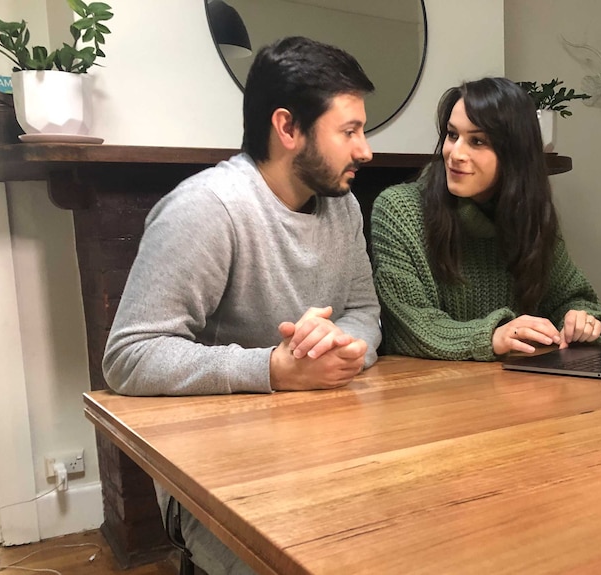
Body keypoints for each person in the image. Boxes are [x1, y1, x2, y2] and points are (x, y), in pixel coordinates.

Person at [103, 37, 382, 574]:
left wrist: (343, 345)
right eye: (349, 131)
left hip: (325, 450)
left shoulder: (343, 209)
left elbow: (364, 312)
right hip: (214, 479)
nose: (365, 149)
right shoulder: (206, 209)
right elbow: (128, 355)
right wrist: (273, 369)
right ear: (288, 128)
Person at [370, 76, 601, 361]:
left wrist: (580, 320)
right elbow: (409, 326)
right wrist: (492, 336)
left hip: (520, 386)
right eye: (452, 135)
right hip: (427, 392)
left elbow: (569, 297)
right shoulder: (398, 210)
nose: (455, 154)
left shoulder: (533, 216)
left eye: (477, 141)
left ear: (513, 155)